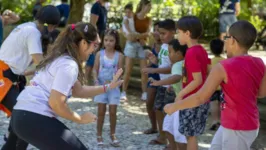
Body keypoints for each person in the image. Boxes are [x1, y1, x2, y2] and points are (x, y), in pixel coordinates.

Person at [10, 22, 123, 150]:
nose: (94, 50)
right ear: (84, 43)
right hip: (33, 116)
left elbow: (79, 91)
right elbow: (56, 103)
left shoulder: (61, 59)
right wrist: (80, 118)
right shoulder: (68, 65)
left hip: (21, 115)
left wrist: (108, 87)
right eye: (95, 45)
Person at [164, 20, 266, 150]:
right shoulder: (259, 63)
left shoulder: (223, 67)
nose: (225, 41)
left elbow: (200, 98)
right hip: (244, 123)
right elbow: (261, 93)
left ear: (233, 41)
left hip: (236, 126)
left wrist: (174, 106)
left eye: (226, 37)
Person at [0, 5, 60, 150]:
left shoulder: (27, 27)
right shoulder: (33, 33)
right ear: (49, 25)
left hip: (10, 74)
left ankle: (10, 145)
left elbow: (30, 65)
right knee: (24, 117)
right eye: (53, 27)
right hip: (4, 75)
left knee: (23, 118)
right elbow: (40, 64)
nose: (52, 30)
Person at [174, 16, 210, 150]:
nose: (177, 35)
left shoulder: (191, 52)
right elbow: (207, 71)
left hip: (193, 99)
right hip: (200, 98)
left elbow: (198, 79)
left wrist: (180, 94)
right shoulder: (201, 49)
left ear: (187, 33)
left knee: (191, 136)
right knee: (191, 135)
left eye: (179, 32)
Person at [142, 19, 175, 145]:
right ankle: (162, 136)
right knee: (158, 109)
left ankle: (172, 143)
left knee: (169, 113)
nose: (160, 36)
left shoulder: (173, 47)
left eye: (163, 33)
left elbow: (173, 67)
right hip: (162, 84)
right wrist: (153, 60)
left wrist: (154, 68)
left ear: (173, 32)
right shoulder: (164, 46)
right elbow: (162, 63)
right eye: (159, 33)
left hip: (170, 86)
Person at [150, 39, 187, 150]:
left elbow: (176, 77)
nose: (169, 55)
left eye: (170, 52)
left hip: (181, 104)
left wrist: (159, 82)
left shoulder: (176, 65)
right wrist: (172, 87)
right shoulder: (183, 63)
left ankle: (175, 147)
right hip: (180, 103)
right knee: (168, 124)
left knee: (177, 131)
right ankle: (172, 146)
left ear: (179, 54)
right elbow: (181, 79)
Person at [92, 29, 123, 147]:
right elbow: (95, 69)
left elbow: (120, 71)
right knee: (100, 111)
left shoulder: (119, 56)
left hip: (113, 87)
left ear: (116, 41)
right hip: (101, 86)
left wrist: (115, 80)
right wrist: (95, 80)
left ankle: (112, 134)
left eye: (111, 40)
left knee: (113, 112)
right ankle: (99, 135)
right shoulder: (99, 54)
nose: (108, 43)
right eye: (106, 40)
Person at [121, 0, 152, 101]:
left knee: (144, 71)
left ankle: (144, 93)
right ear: (143, 5)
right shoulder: (132, 16)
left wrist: (137, 36)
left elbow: (148, 33)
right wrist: (136, 36)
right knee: (128, 69)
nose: (150, 8)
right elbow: (126, 29)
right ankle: (123, 92)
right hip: (131, 45)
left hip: (142, 45)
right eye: (148, 6)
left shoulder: (149, 19)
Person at [143, 21, 161, 135]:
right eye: (154, 30)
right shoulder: (152, 44)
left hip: (164, 77)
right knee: (149, 102)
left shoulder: (167, 46)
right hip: (153, 76)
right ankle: (154, 127)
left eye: (159, 30)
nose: (156, 33)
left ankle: (163, 132)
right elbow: (150, 62)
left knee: (161, 107)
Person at [85, 0, 109, 84]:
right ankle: (84, 81)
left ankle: (92, 81)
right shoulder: (96, 6)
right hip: (96, 36)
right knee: (91, 59)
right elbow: (93, 24)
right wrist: (96, 38)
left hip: (102, 36)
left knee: (96, 59)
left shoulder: (103, 7)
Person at [209, 39, 225, 131]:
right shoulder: (225, 60)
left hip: (213, 86)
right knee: (222, 103)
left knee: (213, 103)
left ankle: (215, 120)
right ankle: (222, 120)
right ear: (222, 49)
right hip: (223, 87)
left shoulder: (210, 61)